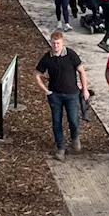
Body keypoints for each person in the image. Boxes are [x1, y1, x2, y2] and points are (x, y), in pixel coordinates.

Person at [34, 30, 89, 159]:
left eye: (58, 43)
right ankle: (60, 147)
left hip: (72, 94)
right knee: (56, 122)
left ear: (62, 43)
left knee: (73, 120)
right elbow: (36, 74)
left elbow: (81, 71)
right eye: (53, 43)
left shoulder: (70, 55)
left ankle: (75, 137)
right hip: (55, 95)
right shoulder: (47, 58)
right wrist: (46, 90)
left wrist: (85, 89)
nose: (56, 46)